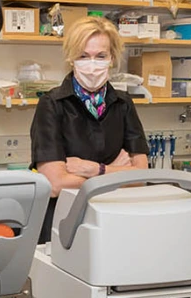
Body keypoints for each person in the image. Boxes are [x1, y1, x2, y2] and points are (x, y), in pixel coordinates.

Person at [30, 16, 149, 242]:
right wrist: (116, 172)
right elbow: (55, 184)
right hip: (62, 222)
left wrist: (95, 169)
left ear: (112, 58)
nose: (92, 64)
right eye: (84, 56)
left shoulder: (123, 104)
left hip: (112, 219)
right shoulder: (52, 104)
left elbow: (140, 177)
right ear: (71, 58)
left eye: (100, 56)